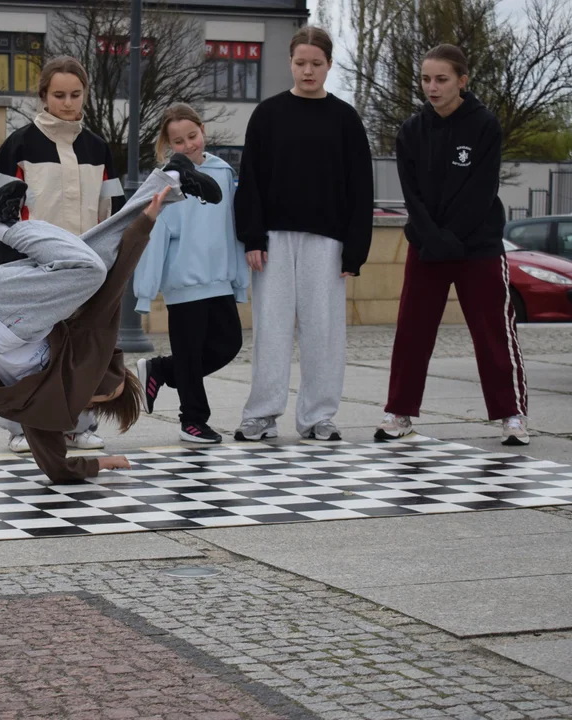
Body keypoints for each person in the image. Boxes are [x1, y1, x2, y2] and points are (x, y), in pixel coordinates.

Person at [0, 155, 221, 483]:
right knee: (95, 260)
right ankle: (171, 179)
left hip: (3, 312)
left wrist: (101, 464)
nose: (101, 391)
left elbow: (56, 466)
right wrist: (145, 223)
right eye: (112, 390)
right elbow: (114, 287)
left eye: (105, 397)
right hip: (7, 304)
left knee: (92, 267)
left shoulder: (51, 403)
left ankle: (0, 225)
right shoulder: (85, 361)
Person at [376, 44, 528, 446]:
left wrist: (452, 238)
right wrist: (433, 238)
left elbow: (481, 190)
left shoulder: (484, 125)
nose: (432, 87)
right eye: (426, 79)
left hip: (477, 246)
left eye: (441, 79)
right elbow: (412, 195)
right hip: (427, 247)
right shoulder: (411, 131)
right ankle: (400, 413)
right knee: (412, 331)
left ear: (462, 81)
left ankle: (511, 415)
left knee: (493, 331)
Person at [233, 25, 373, 443]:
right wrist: (252, 236)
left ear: (329, 64)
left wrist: (355, 250)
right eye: (300, 63)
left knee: (324, 330)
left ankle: (318, 417)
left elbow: (361, 187)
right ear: (290, 63)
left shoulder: (345, 119)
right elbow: (251, 180)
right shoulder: (268, 114)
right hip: (274, 240)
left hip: (328, 240)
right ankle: (261, 414)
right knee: (271, 329)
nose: (307, 71)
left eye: (316, 64)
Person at [0, 55, 123, 455]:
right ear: (43, 96)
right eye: (58, 95)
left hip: (86, 268)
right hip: (33, 267)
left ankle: (80, 425)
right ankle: (19, 427)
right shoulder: (18, 146)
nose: (67, 102)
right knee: (29, 352)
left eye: (75, 94)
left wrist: (111, 263)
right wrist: (7, 268)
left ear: (86, 95)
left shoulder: (98, 148)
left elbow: (111, 211)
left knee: (81, 350)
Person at [133, 103, 248, 444]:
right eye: (178, 142)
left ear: (203, 131)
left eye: (192, 136)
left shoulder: (224, 172)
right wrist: (146, 291)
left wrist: (239, 281)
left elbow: (232, 229)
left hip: (220, 281)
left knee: (229, 344)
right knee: (190, 350)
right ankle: (192, 421)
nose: (189, 145)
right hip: (183, 283)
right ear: (168, 146)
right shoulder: (164, 183)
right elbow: (154, 239)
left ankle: (161, 370)